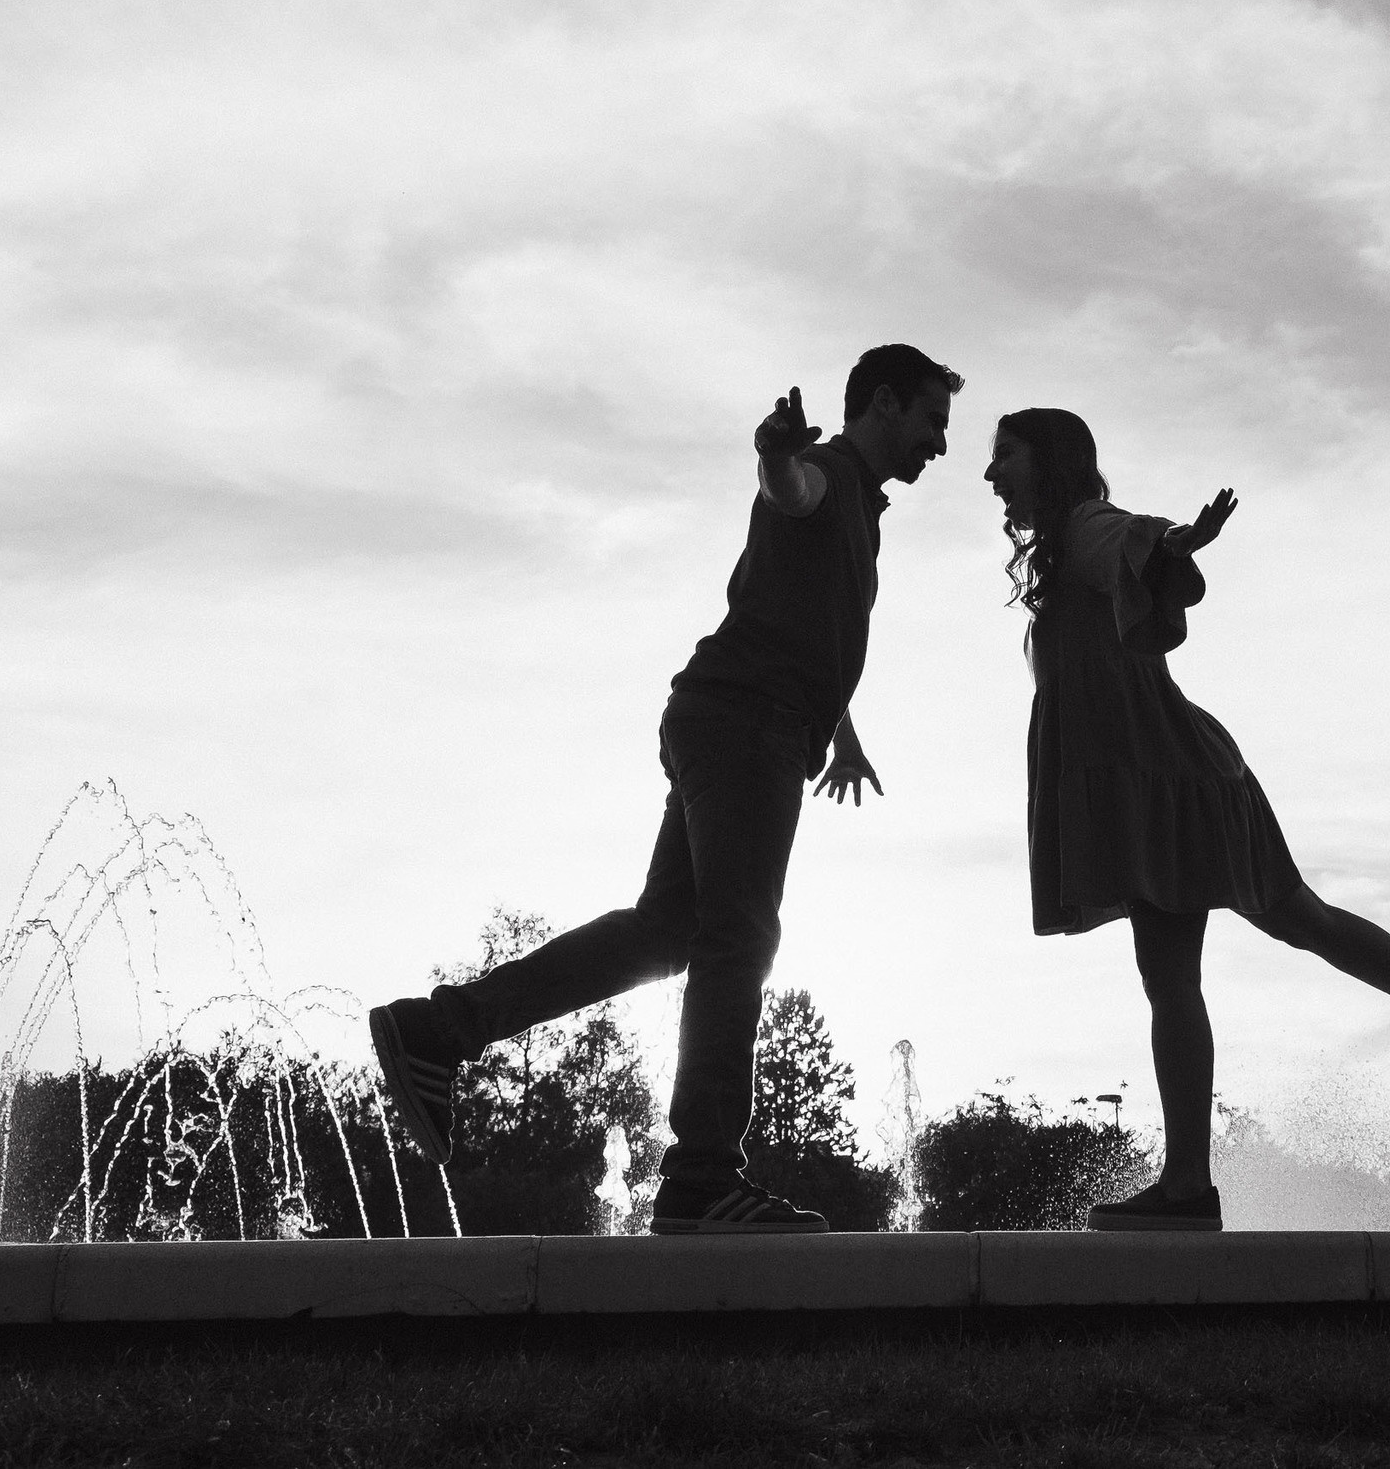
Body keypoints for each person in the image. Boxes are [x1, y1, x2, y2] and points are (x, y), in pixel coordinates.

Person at [371, 345, 960, 1234]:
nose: (940, 444)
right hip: (746, 726)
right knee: (739, 936)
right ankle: (702, 1176)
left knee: (664, 931)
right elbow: (788, 490)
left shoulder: (859, 509)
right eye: (932, 421)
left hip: (731, 717)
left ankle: (438, 1029)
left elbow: (801, 620)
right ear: (884, 402)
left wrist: (840, 732)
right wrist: (773, 455)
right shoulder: (830, 474)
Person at [982, 408, 1390, 1232]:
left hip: (1166, 778)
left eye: (1006, 456)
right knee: (1285, 928)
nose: (992, 475)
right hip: (1170, 771)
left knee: (1193, 969)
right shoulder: (1066, 554)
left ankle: (1189, 1185)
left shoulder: (1085, 525)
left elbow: (1130, 539)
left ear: (1050, 462)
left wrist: (1175, 543)